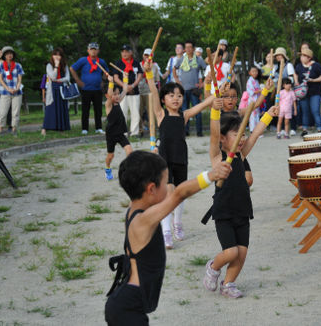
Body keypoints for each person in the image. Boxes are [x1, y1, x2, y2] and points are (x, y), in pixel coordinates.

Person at [104, 151, 231, 325]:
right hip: (128, 308)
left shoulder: (136, 209)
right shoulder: (142, 221)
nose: (168, 188)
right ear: (151, 189)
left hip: (127, 305)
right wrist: (211, 175)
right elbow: (179, 194)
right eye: (166, 183)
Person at [202, 96, 279, 299]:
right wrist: (215, 112)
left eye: (242, 133)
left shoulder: (241, 156)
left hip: (242, 211)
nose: (242, 138)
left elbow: (254, 136)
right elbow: (213, 135)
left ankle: (228, 284)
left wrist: (268, 115)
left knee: (242, 253)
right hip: (224, 212)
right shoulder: (218, 157)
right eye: (237, 134)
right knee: (230, 252)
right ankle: (213, 267)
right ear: (223, 138)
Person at [146, 62, 216, 249]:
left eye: (179, 96)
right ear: (163, 100)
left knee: (181, 193)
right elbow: (153, 92)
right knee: (169, 193)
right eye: (171, 95)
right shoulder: (160, 114)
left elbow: (203, 104)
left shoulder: (184, 116)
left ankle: (178, 224)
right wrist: (149, 76)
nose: (176, 99)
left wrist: (217, 93)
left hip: (181, 158)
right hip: (165, 159)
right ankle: (166, 231)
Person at [70, 42, 109, 135]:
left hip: (97, 89)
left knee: (98, 110)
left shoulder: (101, 61)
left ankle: (98, 128)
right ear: (88, 50)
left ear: (98, 51)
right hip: (86, 89)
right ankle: (84, 128)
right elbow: (72, 68)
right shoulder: (83, 60)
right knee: (85, 109)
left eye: (95, 50)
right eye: (91, 49)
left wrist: (103, 80)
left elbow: (106, 70)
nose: (93, 51)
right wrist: (77, 80)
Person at [173, 40, 207, 136]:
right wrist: (177, 80)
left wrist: (203, 83)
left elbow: (207, 69)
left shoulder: (199, 59)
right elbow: (174, 68)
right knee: (184, 111)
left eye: (190, 47)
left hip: (194, 90)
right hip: (183, 90)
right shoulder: (182, 59)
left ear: (193, 49)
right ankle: (185, 131)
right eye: (186, 47)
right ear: (184, 49)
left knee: (197, 111)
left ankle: (199, 132)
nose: (188, 49)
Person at [104, 74, 133, 180]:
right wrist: (111, 82)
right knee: (110, 156)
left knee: (129, 150)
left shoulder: (118, 101)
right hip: (111, 134)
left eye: (117, 94)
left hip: (120, 133)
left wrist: (125, 78)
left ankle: (129, 170)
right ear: (108, 96)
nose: (116, 96)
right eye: (114, 94)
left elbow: (125, 90)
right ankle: (107, 168)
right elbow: (110, 93)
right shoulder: (108, 105)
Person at [111, 45, 143, 137]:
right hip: (122, 92)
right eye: (122, 51)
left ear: (131, 52)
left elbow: (140, 75)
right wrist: (125, 87)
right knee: (122, 112)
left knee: (135, 112)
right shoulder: (118, 63)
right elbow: (116, 78)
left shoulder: (136, 63)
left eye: (126, 51)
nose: (124, 53)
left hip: (134, 91)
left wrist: (132, 85)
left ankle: (134, 132)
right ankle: (123, 132)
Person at [294, 47, 321, 136]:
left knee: (315, 110)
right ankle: (305, 129)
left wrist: (313, 80)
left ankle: (319, 128)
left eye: (303, 56)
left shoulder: (316, 65)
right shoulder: (299, 66)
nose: (301, 58)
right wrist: (296, 82)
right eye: (301, 56)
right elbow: (295, 73)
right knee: (305, 111)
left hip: (315, 92)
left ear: (309, 57)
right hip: (303, 93)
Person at [41, 48, 71, 137]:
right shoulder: (49, 66)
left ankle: (61, 128)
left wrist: (59, 80)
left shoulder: (65, 66)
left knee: (62, 108)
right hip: (52, 89)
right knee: (50, 108)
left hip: (62, 89)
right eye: (55, 54)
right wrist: (56, 66)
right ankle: (44, 128)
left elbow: (67, 78)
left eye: (59, 55)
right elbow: (52, 76)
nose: (57, 57)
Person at [0, 46, 24, 134]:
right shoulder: (0, 66)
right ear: (4, 55)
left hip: (17, 92)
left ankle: (14, 129)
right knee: (3, 111)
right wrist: (8, 88)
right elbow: (0, 80)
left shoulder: (18, 65)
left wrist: (16, 88)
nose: (9, 55)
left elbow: (20, 79)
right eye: (7, 54)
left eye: (11, 53)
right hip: (5, 91)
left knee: (15, 112)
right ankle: (0, 129)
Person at [138, 48, 161, 136]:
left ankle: (154, 130)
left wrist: (158, 91)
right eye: (145, 55)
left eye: (149, 55)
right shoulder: (139, 65)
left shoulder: (155, 66)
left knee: (152, 111)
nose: (147, 57)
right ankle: (140, 130)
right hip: (140, 91)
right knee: (139, 112)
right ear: (143, 56)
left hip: (150, 92)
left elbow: (158, 80)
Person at [246, 66, 262, 132]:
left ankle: (257, 130)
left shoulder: (256, 81)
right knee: (253, 115)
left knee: (257, 114)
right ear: (249, 73)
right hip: (252, 100)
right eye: (253, 71)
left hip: (257, 99)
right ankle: (252, 130)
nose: (255, 73)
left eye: (256, 71)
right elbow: (251, 91)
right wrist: (260, 90)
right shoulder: (250, 81)